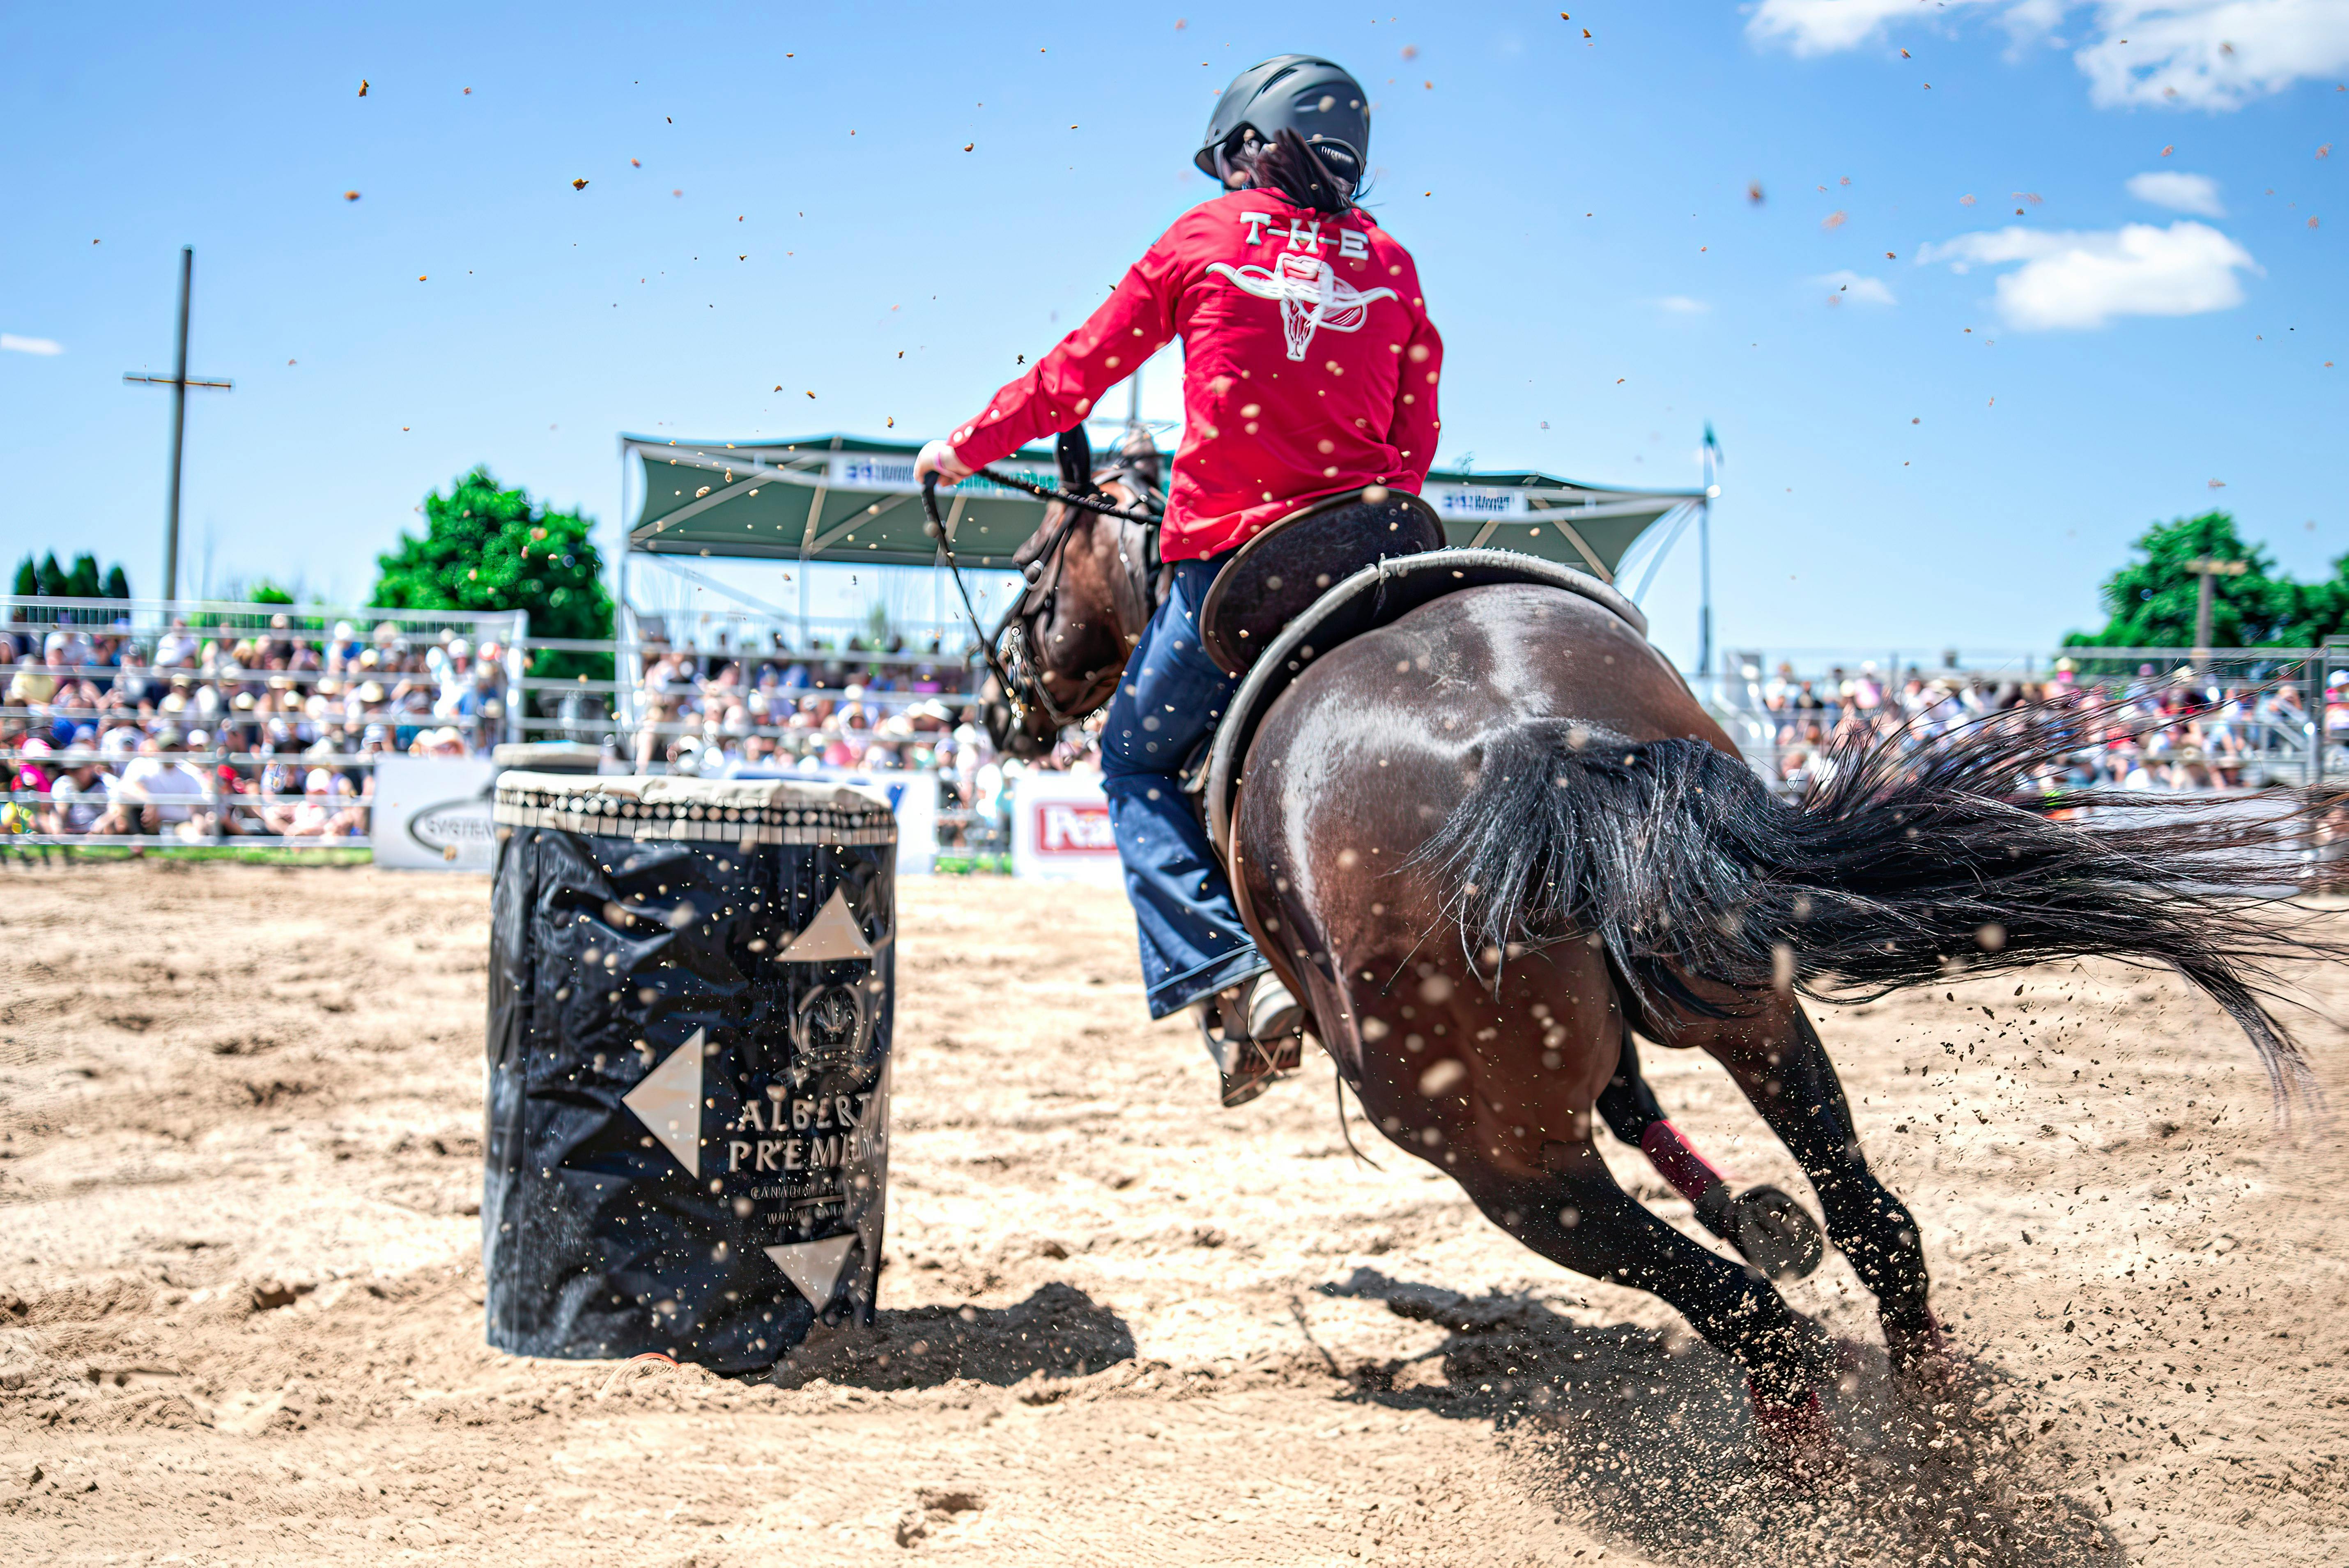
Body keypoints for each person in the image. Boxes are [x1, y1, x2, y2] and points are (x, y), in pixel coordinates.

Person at [916, 53, 1442, 1105]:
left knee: (1133, 762)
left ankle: (1229, 977)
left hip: (1237, 568)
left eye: (1230, 162)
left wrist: (961, 450)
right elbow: (1413, 433)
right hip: (1376, 552)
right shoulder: (1391, 260)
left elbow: (1076, 372)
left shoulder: (1203, 238)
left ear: (1252, 144)